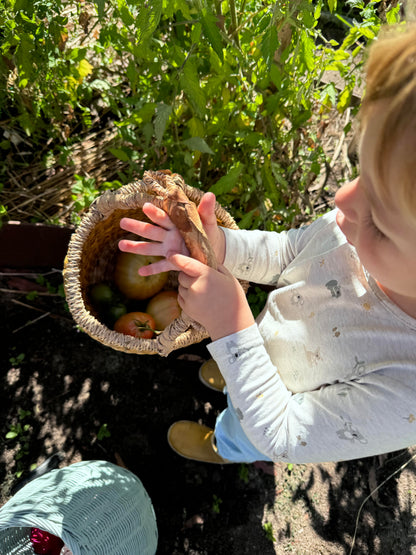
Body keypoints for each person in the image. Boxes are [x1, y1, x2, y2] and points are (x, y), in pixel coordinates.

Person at [118, 23, 416, 465]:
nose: (342, 201)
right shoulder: (350, 229)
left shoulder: (406, 392)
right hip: (260, 343)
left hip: (273, 414)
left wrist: (232, 326)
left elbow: (285, 433)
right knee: (240, 364)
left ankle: (221, 446)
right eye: (361, 173)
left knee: (244, 430)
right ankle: (229, 370)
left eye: (381, 223)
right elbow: (287, 253)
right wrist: (219, 247)